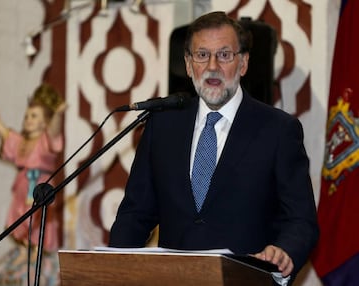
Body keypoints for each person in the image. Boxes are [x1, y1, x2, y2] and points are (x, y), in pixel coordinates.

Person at [109, 11, 319, 283]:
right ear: (187, 64)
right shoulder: (162, 126)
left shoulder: (278, 130)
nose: (212, 66)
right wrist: (114, 271)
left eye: (224, 55)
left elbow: (301, 220)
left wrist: (284, 251)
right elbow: (135, 215)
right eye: (202, 55)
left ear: (243, 63)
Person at [0, 83, 66, 285]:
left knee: (39, 219)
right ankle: (24, 247)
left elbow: (55, 131)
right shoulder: (22, 142)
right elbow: (8, 137)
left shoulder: (45, 142)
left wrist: (57, 115)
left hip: (39, 188)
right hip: (22, 190)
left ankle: (37, 251)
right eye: (27, 116)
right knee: (19, 217)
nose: (28, 120)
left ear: (44, 122)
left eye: (34, 116)